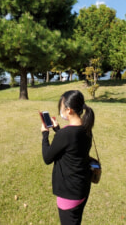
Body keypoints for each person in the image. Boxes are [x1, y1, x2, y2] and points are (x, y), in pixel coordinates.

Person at [41, 90, 95, 225]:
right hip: (82, 186)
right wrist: (58, 129)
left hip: (69, 193)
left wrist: (45, 135)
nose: (61, 111)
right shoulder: (86, 127)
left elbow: (47, 158)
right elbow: (73, 147)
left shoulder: (65, 134)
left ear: (69, 110)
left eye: (61, 108)